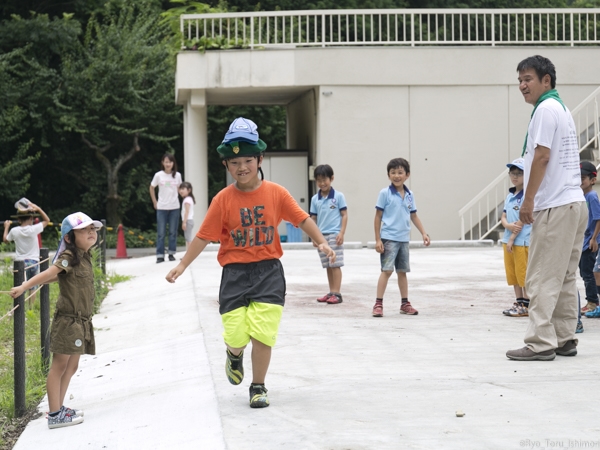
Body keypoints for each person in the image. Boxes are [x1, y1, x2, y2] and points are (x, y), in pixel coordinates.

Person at [166, 117, 335, 409]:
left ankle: (258, 386)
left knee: (263, 333)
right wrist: (182, 265)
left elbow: (302, 218)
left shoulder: (276, 193)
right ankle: (233, 354)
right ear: (226, 165)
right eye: (234, 163)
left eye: (247, 160)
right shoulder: (222, 200)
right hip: (234, 274)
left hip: (269, 271)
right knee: (236, 334)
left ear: (259, 158)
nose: (241, 167)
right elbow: (203, 237)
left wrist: (320, 241)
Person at [506, 55, 586, 361]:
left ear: (546, 80)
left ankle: (540, 342)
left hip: (555, 206)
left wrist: (528, 201)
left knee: (539, 276)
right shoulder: (561, 108)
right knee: (564, 277)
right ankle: (564, 338)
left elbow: (541, 156)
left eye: (528, 79)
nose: (523, 86)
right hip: (574, 204)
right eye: (519, 81)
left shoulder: (545, 109)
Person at [9, 212, 103, 429]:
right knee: (59, 366)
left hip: (81, 322)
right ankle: (54, 414)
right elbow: (51, 271)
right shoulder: (69, 256)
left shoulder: (84, 255)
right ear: (69, 237)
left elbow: (58, 276)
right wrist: (24, 286)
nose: (91, 232)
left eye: (93, 229)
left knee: (72, 366)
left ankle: (59, 407)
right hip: (68, 322)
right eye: (84, 229)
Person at [372, 157, 430, 318]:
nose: (396, 176)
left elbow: (414, 216)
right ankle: (378, 304)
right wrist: (378, 239)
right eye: (393, 172)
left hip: (404, 239)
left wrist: (424, 233)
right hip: (388, 238)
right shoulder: (384, 193)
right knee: (387, 270)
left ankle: (405, 303)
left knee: (402, 271)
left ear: (407, 175)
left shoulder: (410, 195)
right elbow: (377, 217)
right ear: (388, 175)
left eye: (400, 172)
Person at [310, 164, 348, 305]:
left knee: (335, 264)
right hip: (321, 237)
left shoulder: (338, 196)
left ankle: (337, 294)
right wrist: (314, 237)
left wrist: (342, 232)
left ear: (331, 178)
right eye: (318, 180)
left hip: (334, 235)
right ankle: (331, 292)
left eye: (324, 179)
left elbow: (344, 215)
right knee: (327, 265)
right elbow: (313, 219)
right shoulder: (315, 199)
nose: (322, 183)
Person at [500, 158, 531, 318]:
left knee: (523, 274)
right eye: (513, 173)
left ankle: (526, 304)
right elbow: (503, 216)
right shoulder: (510, 195)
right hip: (508, 240)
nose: (515, 176)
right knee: (513, 274)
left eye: (519, 173)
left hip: (522, 241)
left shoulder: (528, 196)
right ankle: (518, 302)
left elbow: (523, 219)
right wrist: (507, 225)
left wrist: (512, 236)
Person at [3, 201, 50, 305]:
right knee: (32, 286)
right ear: (31, 218)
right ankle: (31, 308)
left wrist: (6, 226)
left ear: (18, 219)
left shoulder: (14, 231)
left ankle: (18, 308)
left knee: (21, 286)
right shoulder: (34, 229)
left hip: (20, 263)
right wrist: (38, 208)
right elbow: (47, 220)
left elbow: (5, 240)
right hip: (33, 261)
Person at [149, 153, 182, 263]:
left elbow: (180, 189)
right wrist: (155, 201)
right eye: (166, 162)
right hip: (162, 207)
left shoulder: (177, 175)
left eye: (170, 162)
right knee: (161, 233)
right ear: (163, 163)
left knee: (173, 232)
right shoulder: (158, 175)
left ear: (173, 163)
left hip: (174, 206)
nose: (168, 164)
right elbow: (152, 187)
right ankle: (160, 255)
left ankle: (171, 254)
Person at [580, 161, 600, 319]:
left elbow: (598, 218)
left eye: (583, 178)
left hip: (590, 242)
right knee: (584, 272)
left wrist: (594, 239)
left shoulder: (592, 196)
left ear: (592, 180)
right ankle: (592, 301)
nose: (580, 181)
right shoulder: (582, 196)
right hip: (583, 241)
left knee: (588, 273)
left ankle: (593, 302)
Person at [178, 181, 196, 250]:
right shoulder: (189, 199)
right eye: (180, 189)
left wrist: (184, 222)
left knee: (188, 239)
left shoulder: (187, 200)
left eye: (183, 189)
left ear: (189, 190)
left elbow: (186, 212)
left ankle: (189, 254)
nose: (180, 191)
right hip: (189, 220)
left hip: (188, 221)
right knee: (188, 238)